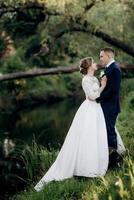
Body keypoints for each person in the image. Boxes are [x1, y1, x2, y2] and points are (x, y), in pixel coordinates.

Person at [34, 57, 109, 192]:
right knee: (87, 137)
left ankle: (95, 166)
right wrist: (103, 86)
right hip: (89, 109)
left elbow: (96, 95)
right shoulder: (85, 80)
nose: (95, 63)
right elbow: (92, 96)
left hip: (96, 109)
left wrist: (101, 84)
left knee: (95, 136)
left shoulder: (94, 79)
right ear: (89, 66)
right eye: (93, 62)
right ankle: (85, 169)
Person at [96, 47, 125, 166]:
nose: (100, 59)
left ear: (108, 56)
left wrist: (98, 98)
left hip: (111, 107)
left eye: (101, 56)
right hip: (106, 106)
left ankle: (114, 162)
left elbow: (114, 90)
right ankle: (111, 159)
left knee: (110, 132)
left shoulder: (115, 69)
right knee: (107, 131)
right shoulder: (109, 68)